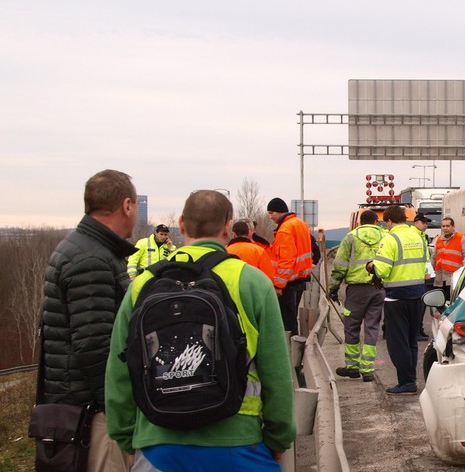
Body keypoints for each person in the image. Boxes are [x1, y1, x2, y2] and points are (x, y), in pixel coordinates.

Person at [105, 190, 296, 469]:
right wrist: (279, 438)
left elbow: (119, 371)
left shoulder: (142, 284)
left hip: (158, 444)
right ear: (228, 227)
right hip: (238, 442)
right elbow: (276, 371)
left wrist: (127, 437)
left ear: (181, 225)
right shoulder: (252, 282)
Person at [39, 169, 138, 472]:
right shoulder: (92, 259)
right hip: (92, 416)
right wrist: (118, 410)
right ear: (126, 206)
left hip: (81, 407)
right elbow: (94, 345)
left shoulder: (88, 248)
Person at [368, 205, 428, 395]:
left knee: (397, 343)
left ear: (389, 221)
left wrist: (371, 266)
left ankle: (407, 382)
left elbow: (382, 270)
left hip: (397, 298)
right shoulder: (418, 236)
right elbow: (426, 266)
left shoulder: (390, 238)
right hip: (418, 295)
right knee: (411, 341)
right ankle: (410, 379)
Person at [329, 210, 385, 382]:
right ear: (376, 221)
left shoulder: (351, 237)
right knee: (372, 327)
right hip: (378, 288)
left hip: (356, 290)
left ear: (360, 222)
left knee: (352, 326)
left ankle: (352, 367)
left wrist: (334, 287)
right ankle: (367, 369)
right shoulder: (385, 236)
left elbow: (340, 264)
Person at [266, 197, 314, 336]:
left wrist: (279, 285)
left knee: (287, 320)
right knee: (292, 317)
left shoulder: (285, 229)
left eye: (271, 213)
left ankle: (292, 351)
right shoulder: (300, 224)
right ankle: (296, 347)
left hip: (289, 281)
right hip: (301, 277)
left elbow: (286, 260)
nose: (270, 217)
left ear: (280, 211)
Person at [411, 213, 437, 340]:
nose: (426, 225)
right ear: (416, 222)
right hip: (416, 275)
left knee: (421, 305)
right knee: (418, 305)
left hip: (424, 273)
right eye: (423, 223)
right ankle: (415, 331)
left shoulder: (423, 236)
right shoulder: (413, 235)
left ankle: (418, 329)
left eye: (427, 223)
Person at [433, 217, 465, 300]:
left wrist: (464, 274)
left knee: (451, 303)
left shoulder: (461, 238)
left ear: (453, 227)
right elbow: (434, 257)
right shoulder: (438, 239)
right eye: (443, 226)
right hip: (440, 278)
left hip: (453, 278)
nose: (445, 228)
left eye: (448, 226)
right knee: (440, 305)